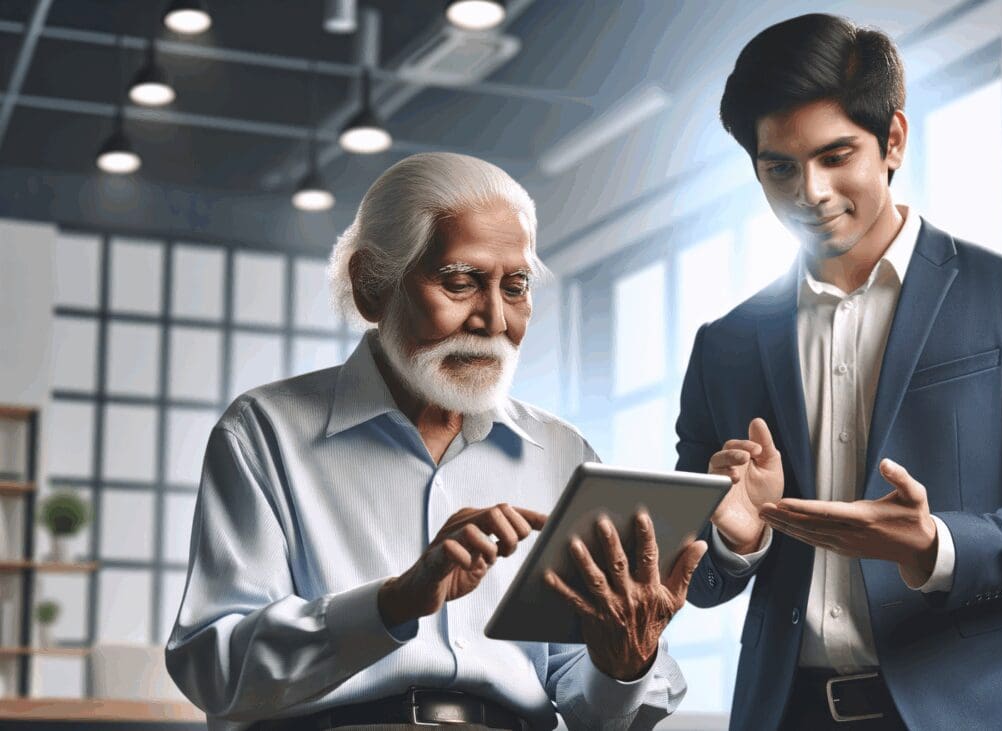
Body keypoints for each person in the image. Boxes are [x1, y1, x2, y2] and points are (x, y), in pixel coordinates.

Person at [677, 14, 1002, 730]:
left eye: (835, 155)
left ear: (893, 142)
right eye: (778, 168)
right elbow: (692, 578)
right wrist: (738, 535)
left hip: (979, 712)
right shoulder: (724, 345)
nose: (809, 192)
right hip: (788, 715)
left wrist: (936, 544)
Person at [166, 152, 707, 731]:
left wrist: (624, 664)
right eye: (460, 282)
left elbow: (594, 712)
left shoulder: (562, 453)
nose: (495, 319)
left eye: (516, 286)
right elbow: (212, 670)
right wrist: (393, 603)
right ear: (372, 287)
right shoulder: (265, 433)